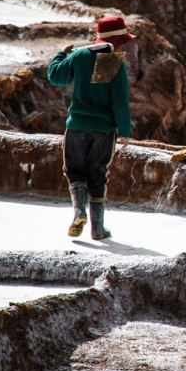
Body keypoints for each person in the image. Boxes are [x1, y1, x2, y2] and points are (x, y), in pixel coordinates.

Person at [47, 15, 137, 240]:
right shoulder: (114, 63)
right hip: (103, 131)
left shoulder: (80, 56)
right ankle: (97, 229)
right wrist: (125, 131)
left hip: (76, 127)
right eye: (122, 41)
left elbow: (55, 77)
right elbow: (119, 102)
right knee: (98, 174)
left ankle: (79, 212)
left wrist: (60, 55)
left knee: (75, 172)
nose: (124, 45)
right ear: (116, 40)